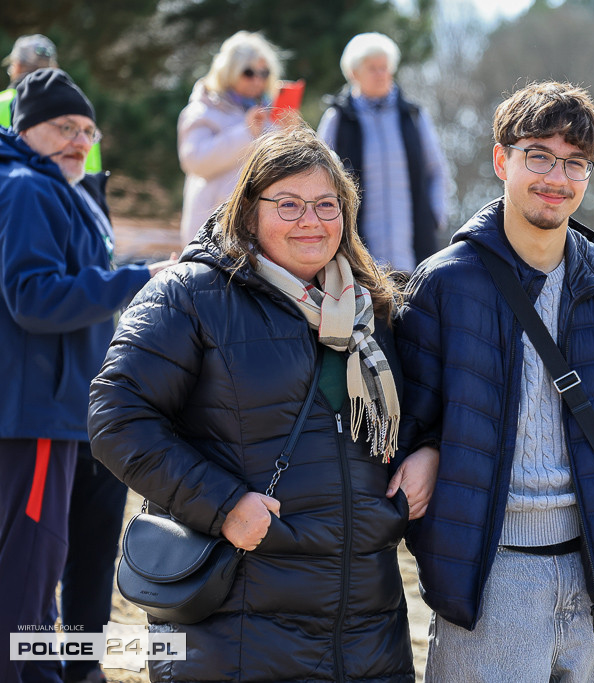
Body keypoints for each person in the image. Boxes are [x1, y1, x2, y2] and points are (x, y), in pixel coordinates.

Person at [89, 126, 423, 682]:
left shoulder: (373, 309)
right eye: (288, 204)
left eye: (326, 204)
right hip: (236, 624)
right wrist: (223, 506)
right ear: (248, 211)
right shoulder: (191, 294)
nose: (311, 221)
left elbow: (413, 417)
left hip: (367, 627)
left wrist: (426, 452)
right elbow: (115, 419)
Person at [394, 81, 594, 681]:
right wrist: (431, 450)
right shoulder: (444, 285)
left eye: (574, 163)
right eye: (538, 156)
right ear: (501, 160)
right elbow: (409, 424)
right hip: (489, 574)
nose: (556, 177)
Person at [0, 68, 175, 683]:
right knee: (28, 571)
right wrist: (137, 280)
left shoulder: (59, 187)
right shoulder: (28, 186)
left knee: (34, 570)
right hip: (38, 415)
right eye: (63, 127)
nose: (79, 139)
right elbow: (33, 296)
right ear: (25, 130)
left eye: (86, 129)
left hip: (55, 410)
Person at [318, 32, 448, 274]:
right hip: (357, 250)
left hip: (413, 249)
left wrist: (436, 216)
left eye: (385, 68)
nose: (381, 74)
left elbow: (436, 170)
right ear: (353, 74)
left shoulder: (412, 115)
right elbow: (319, 176)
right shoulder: (338, 117)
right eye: (373, 68)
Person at [178, 30, 284, 247]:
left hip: (259, 229)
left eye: (264, 73)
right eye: (248, 72)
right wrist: (246, 132)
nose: (257, 79)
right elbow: (194, 161)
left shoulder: (265, 112)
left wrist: (291, 133)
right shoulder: (202, 109)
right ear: (229, 70)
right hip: (212, 229)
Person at [1, 34, 101, 173]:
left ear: (16, 66)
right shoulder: (81, 115)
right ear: (54, 69)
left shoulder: (2, 102)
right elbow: (92, 173)